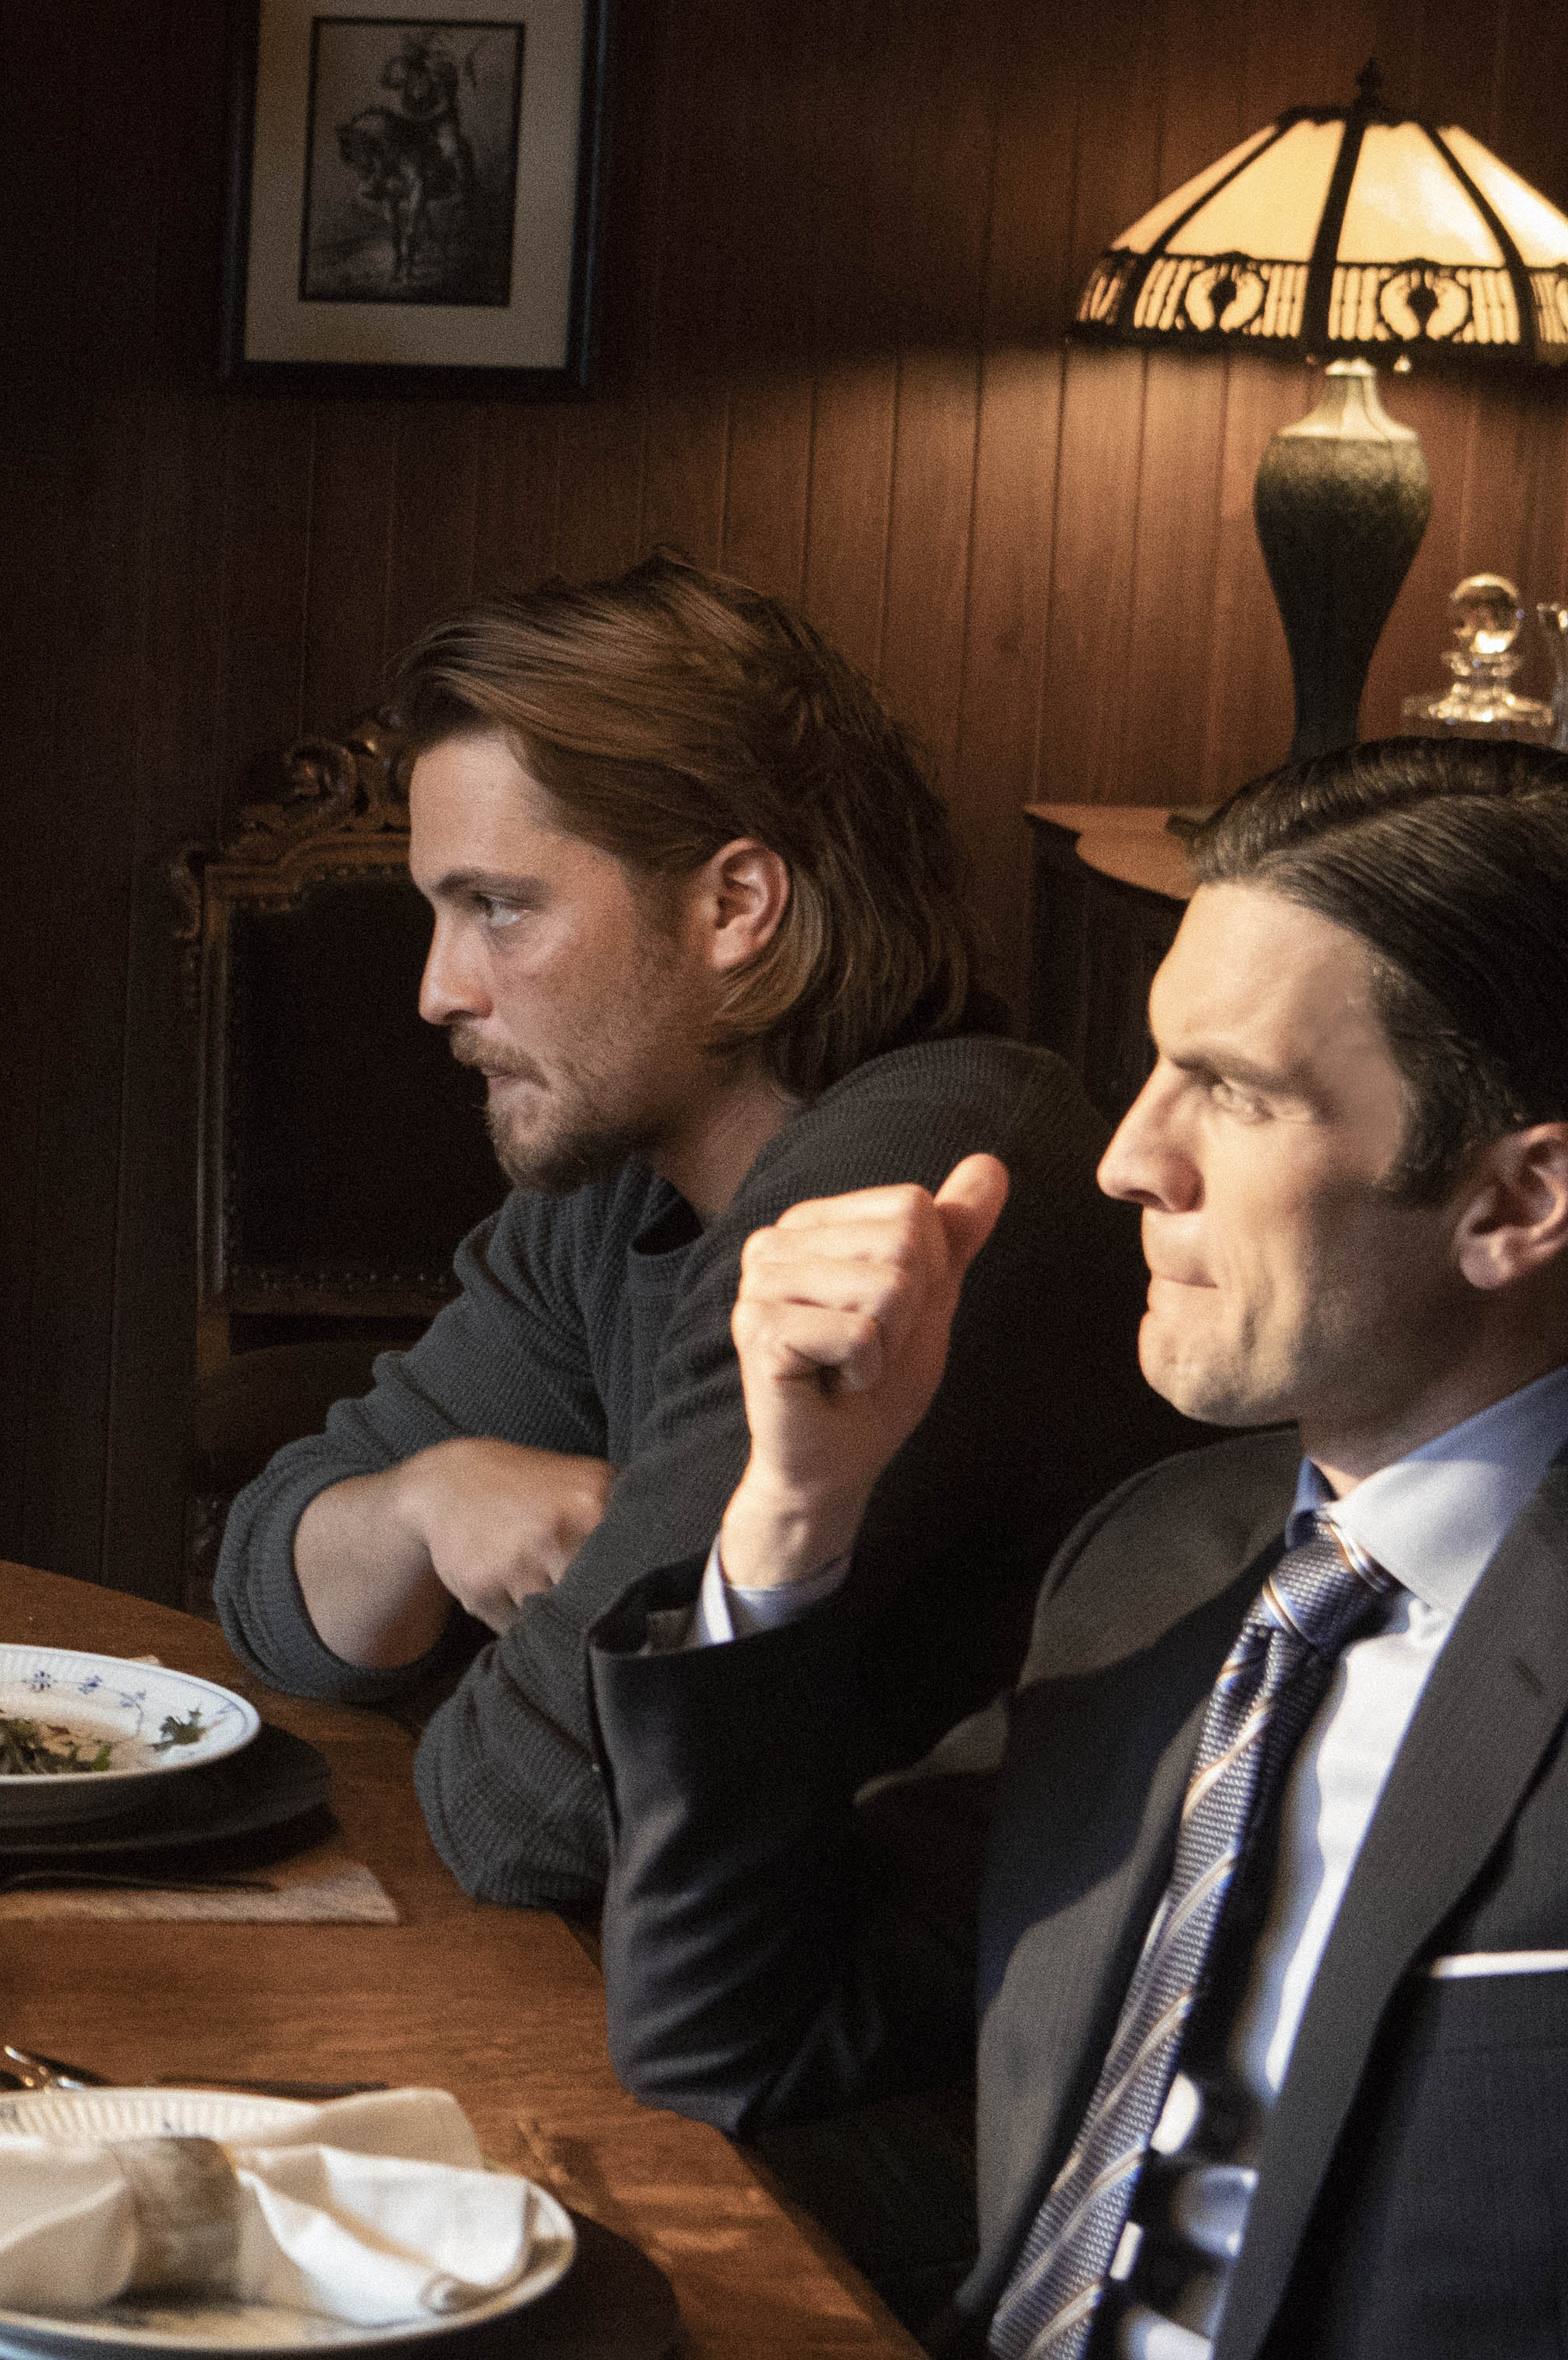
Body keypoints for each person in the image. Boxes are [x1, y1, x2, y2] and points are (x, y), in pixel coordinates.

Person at [587, 740, 1568, 2360]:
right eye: (1152, 1071)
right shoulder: (1166, 1556)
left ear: (1517, 1201)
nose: (1127, 1161)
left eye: (1232, 1091)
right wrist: (788, 1520)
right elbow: (727, 2045)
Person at [216, 555, 1180, 1916]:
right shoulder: (617, 1182)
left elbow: (521, 1810)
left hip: (922, 2090)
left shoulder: (924, 1179)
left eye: (497, 907)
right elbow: (266, 1579)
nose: (436, 990)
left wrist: (456, 1621)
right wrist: (421, 1500)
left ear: (736, 906)